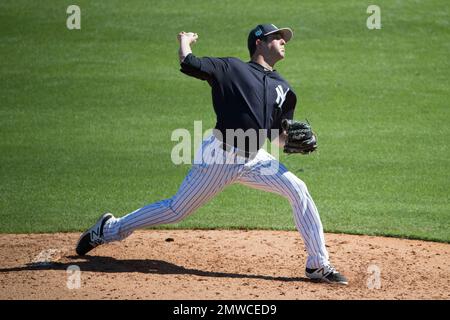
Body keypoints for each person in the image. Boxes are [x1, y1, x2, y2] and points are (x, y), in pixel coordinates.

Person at [76, 24, 348, 285]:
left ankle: (317, 264)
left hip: (254, 159)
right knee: (176, 210)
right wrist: (184, 41)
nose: (283, 41)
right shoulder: (232, 68)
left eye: (284, 37)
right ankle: (109, 229)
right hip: (220, 156)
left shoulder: (283, 88)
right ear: (259, 43)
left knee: (298, 188)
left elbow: (276, 137)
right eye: (276, 37)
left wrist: (292, 143)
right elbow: (189, 63)